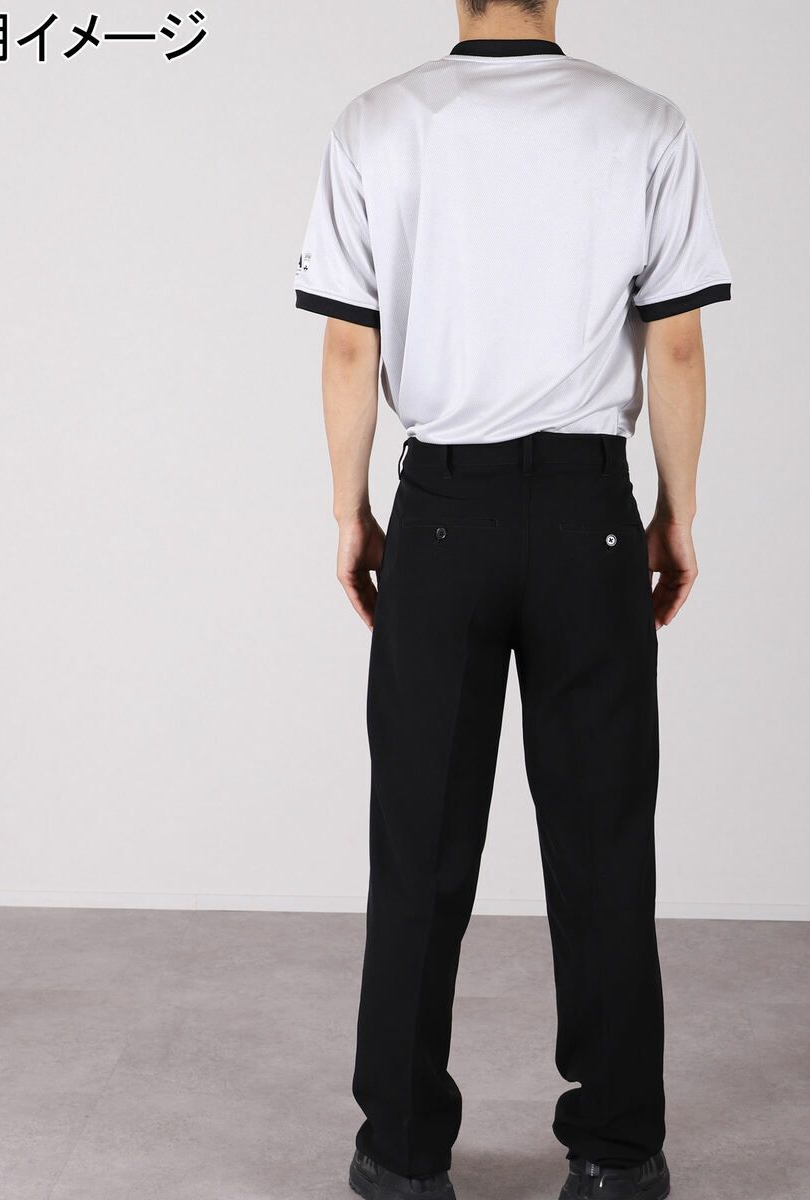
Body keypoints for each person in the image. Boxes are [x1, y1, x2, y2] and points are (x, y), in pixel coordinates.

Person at [296, 1, 731, 1196]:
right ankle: (617, 1153)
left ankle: (401, 1156)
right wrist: (676, 510)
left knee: (418, 844)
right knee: (602, 844)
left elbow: (349, 348)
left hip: (441, 513)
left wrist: (351, 512)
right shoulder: (644, 123)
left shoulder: (377, 123)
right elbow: (676, 344)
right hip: (592, 514)